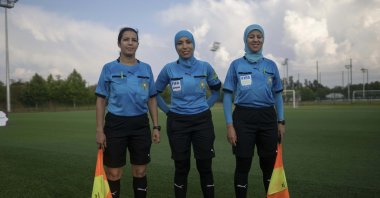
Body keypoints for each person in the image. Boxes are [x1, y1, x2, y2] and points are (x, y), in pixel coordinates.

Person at [95, 27, 160, 198]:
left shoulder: (146, 68)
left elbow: (152, 99)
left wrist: (156, 127)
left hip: (140, 125)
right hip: (115, 125)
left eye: (134, 39)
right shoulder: (108, 68)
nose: (130, 43)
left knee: (140, 171)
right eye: (126, 39)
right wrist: (100, 130)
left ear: (138, 43)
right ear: (119, 43)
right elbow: (101, 100)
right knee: (114, 174)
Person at [155, 30, 221, 198]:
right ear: (175, 46)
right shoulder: (169, 69)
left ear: (193, 44)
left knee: (205, 166)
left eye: (188, 42)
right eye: (180, 43)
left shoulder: (205, 66)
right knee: (181, 167)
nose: (184, 46)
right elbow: (154, 93)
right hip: (177, 123)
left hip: (202, 122)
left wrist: (205, 106)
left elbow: (216, 91)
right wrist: (169, 111)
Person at [223, 24, 286, 198]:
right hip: (243, 118)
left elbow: (278, 95)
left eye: (259, 36)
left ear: (263, 39)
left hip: (267, 118)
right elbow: (228, 96)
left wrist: (281, 121)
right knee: (243, 163)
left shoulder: (271, 65)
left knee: (268, 165)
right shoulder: (236, 65)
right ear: (245, 39)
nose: (256, 39)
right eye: (251, 36)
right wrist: (230, 125)